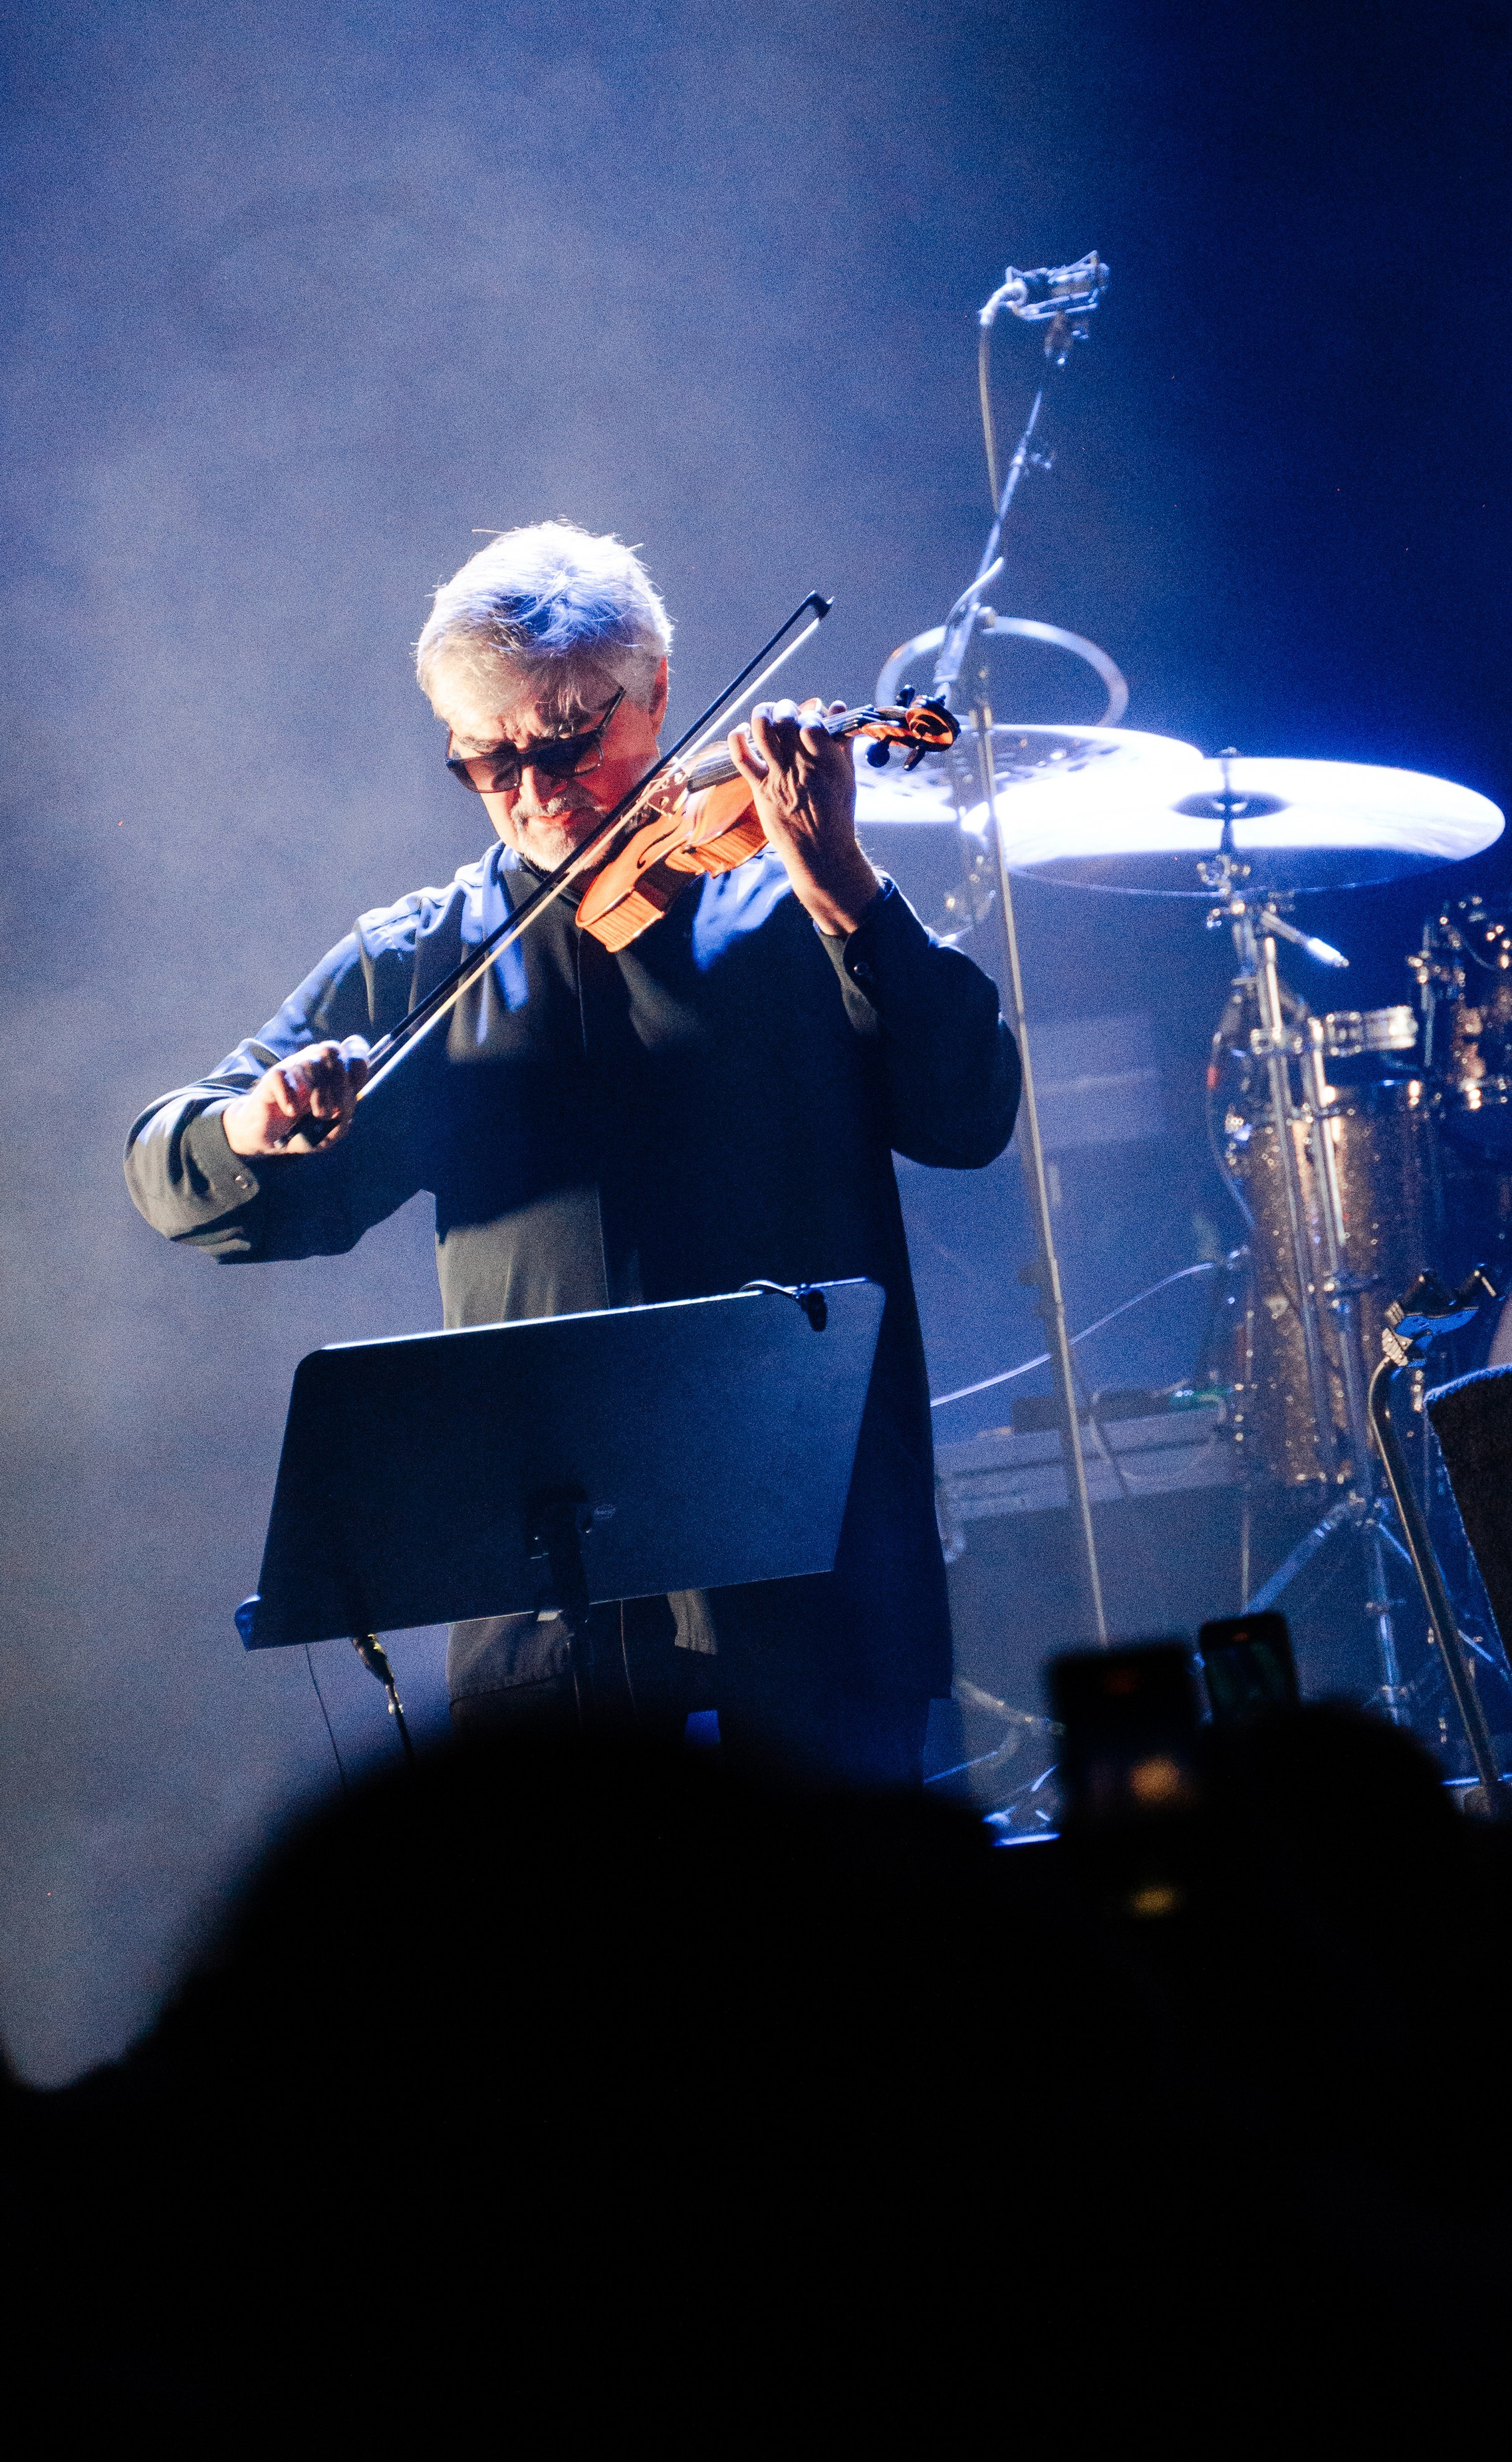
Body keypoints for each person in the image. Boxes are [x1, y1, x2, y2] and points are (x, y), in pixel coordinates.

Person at [125, 522, 1020, 1782]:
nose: (537, 796)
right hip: (551, 1646)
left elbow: (969, 1115)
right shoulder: (423, 958)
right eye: (488, 764)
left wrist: (847, 890)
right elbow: (171, 1169)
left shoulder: (799, 908)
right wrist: (250, 1121)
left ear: (659, 696)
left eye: (570, 745)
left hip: (814, 1602)